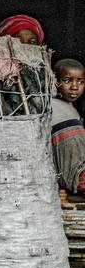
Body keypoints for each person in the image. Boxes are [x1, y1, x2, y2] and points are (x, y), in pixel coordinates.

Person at [51, 58, 85, 193]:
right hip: (75, 175)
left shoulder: (69, 107)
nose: (75, 87)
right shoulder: (52, 105)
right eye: (67, 81)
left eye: (81, 82)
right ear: (54, 80)